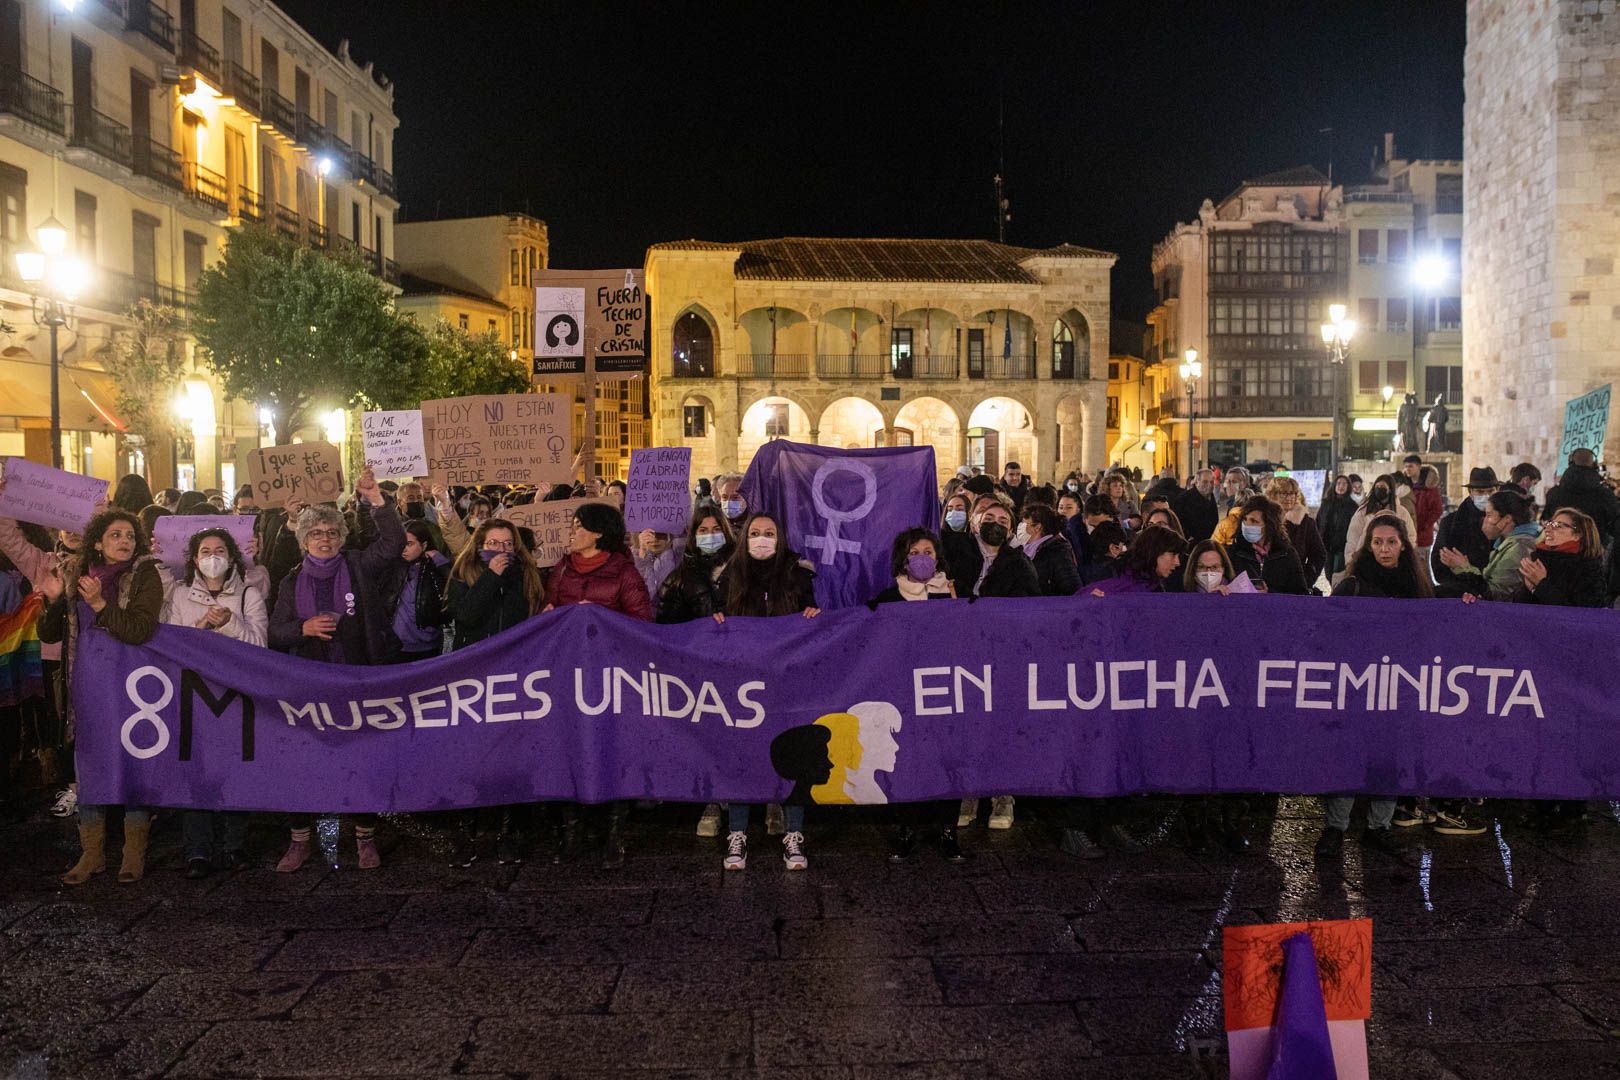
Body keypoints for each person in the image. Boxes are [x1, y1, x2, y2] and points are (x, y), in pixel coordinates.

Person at [267, 470, 403, 872]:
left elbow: (393, 544)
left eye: (331, 532)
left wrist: (376, 500)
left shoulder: (358, 565)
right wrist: (303, 628)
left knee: (361, 759)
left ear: (341, 538)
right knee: (302, 762)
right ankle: (299, 841)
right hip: (307, 686)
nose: (324, 539)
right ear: (303, 540)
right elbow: (275, 632)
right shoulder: (291, 582)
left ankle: (365, 839)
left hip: (357, 678)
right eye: (315, 533)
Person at [37, 509, 164, 884]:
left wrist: (99, 606)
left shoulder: (145, 575)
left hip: (131, 686)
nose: (125, 541)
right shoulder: (77, 573)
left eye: (130, 535)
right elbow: (48, 634)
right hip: (87, 686)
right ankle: (91, 853)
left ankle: (133, 852)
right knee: (89, 766)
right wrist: (56, 600)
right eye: (115, 535)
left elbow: (140, 629)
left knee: (133, 760)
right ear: (97, 543)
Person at [1318, 514, 1443, 857]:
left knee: (1390, 755)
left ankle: (1379, 826)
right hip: (1358, 685)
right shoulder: (1352, 585)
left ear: (1403, 545)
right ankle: (1335, 826)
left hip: (1400, 685)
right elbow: (1329, 629)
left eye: (1390, 542)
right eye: (1377, 542)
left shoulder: (1418, 589)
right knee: (1349, 754)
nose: (1384, 549)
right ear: (1368, 545)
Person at [546, 503, 652, 869]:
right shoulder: (561, 569)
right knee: (569, 749)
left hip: (610, 676)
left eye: (579, 526)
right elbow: (548, 609)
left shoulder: (624, 572)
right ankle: (572, 833)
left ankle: (613, 835)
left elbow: (641, 622)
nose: (572, 532)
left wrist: (598, 617)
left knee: (613, 749)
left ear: (598, 533)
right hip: (569, 675)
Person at [160, 527, 267, 878]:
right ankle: (198, 850)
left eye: (219, 550)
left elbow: (260, 646)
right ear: (194, 560)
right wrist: (202, 624)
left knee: (236, 767)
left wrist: (231, 623)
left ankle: (235, 845)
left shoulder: (249, 594)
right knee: (197, 768)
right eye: (205, 551)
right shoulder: (180, 596)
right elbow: (172, 645)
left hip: (236, 694)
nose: (212, 557)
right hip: (195, 692)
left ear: (232, 557)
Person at [717, 513, 819, 871]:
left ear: (781, 538)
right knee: (741, 754)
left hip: (787, 682)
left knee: (794, 753)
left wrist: (813, 615)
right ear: (745, 538)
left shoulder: (798, 574)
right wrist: (715, 622)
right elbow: (715, 620)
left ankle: (794, 834)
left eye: (769, 533)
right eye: (755, 533)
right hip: (742, 684)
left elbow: (812, 618)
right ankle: (737, 832)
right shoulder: (730, 576)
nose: (762, 539)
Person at [868, 529, 964, 863]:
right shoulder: (888, 598)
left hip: (943, 688)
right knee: (906, 759)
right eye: (913, 552)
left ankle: (948, 831)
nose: (921, 558)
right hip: (903, 691)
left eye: (928, 551)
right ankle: (906, 829)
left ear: (938, 558)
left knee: (948, 757)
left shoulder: (953, 593)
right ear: (902, 559)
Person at [1514, 507, 1605, 830]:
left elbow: (1583, 617)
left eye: (1560, 525)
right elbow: (1521, 608)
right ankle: (1541, 800)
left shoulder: (1588, 568)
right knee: (1539, 732)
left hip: (1572, 663)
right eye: (1549, 523)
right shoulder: (1539, 558)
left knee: (1568, 733)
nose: (1550, 529)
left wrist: (1542, 586)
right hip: (1538, 658)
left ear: (1578, 533)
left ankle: (1570, 803)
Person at [656, 506, 736, 839]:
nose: (709, 536)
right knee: (711, 738)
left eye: (715, 529)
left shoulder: (745, 569)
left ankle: (767, 798)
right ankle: (714, 802)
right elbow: (666, 626)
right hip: (702, 672)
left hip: (742, 668)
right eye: (702, 531)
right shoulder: (680, 577)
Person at [1437, 489, 1539, 602]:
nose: (1484, 520)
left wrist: (1463, 567)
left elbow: (1496, 594)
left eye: (1489, 515)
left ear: (1507, 519)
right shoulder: (1508, 543)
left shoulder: (1518, 548)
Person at [383, 520, 450, 662]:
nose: (404, 549)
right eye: (401, 543)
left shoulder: (435, 568)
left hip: (427, 646)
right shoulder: (393, 567)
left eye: (409, 544)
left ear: (424, 545)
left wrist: (442, 564)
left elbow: (453, 591)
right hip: (397, 646)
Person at [1430, 467, 1499, 597]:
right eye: (1480, 492)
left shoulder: (1504, 522)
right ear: (1470, 492)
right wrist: (1462, 588)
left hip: (1493, 595)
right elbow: (1439, 565)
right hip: (1459, 595)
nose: (1486, 496)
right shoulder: (1451, 523)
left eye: (1490, 491)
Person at [1222, 496, 1309, 594]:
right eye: (1245, 519)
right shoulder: (1233, 553)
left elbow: (1301, 594)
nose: (1247, 525)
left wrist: (1269, 593)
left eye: (1254, 521)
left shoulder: (1287, 554)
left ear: (1268, 525)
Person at [1541, 448, 1620, 543]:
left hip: (1561, 546)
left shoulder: (1553, 493)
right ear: (1594, 465)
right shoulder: (1605, 495)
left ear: (1570, 463)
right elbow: (1615, 525)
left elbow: (1547, 520)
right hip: (1594, 547)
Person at [1262, 476, 1326, 590]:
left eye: (1292, 493)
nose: (1289, 498)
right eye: (1284, 493)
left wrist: (1306, 579)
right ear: (1272, 494)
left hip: (1295, 586)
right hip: (1266, 584)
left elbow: (1319, 554)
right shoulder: (1262, 519)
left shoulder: (1305, 522)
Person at [1086, 524, 1186, 594]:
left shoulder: (1157, 586)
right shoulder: (1110, 575)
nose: (1177, 562)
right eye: (1173, 554)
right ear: (1154, 551)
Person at [1345, 474, 1418, 571]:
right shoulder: (1363, 511)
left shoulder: (1401, 512)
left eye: (1382, 487)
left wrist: (1404, 556)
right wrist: (1350, 560)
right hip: (1366, 561)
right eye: (1377, 487)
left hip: (1395, 561)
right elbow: (1353, 537)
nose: (1379, 489)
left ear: (1390, 489)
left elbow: (1411, 536)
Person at [1019, 503, 1080, 596]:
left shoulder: (1057, 551)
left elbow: (1071, 587)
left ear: (1037, 527)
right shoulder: (1025, 550)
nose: (1019, 528)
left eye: (1023, 524)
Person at [1316, 475, 1357, 580]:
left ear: (1348, 487)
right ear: (1334, 485)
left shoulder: (1352, 506)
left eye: (1344, 484)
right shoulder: (1326, 503)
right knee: (1328, 573)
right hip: (1326, 545)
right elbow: (1319, 521)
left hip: (1342, 546)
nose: (1341, 486)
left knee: (1338, 572)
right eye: (1338, 483)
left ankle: (1336, 589)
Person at [1412, 464, 1445, 566]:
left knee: (1422, 566)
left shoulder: (1430, 490)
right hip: (1410, 535)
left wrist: (1425, 525)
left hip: (1423, 536)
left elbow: (1437, 510)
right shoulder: (1412, 488)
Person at [1175, 469, 1220, 542]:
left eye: (1211, 482)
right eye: (1205, 482)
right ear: (1196, 482)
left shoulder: (1211, 496)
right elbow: (1178, 524)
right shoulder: (1184, 499)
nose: (1209, 485)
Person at [634, 529, 679, 600]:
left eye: (660, 535)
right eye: (649, 535)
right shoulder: (630, 560)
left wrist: (667, 556)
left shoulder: (678, 560)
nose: (655, 540)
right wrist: (642, 553)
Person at [1079, 520, 1128, 585]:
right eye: (1122, 545)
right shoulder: (1118, 571)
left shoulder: (1082, 567)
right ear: (1113, 548)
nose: (1123, 549)